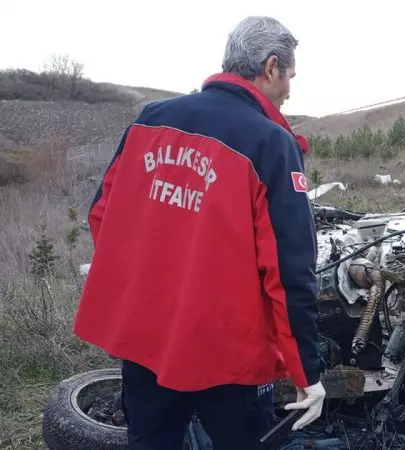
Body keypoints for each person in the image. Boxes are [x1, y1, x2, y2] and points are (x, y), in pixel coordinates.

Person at [72, 16, 325, 449]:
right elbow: (289, 272)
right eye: (289, 77)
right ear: (270, 67)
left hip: (146, 338)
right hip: (228, 354)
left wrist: (152, 287)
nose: (289, 91)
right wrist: (308, 374)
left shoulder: (152, 118)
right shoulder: (270, 144)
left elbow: (102, 215)